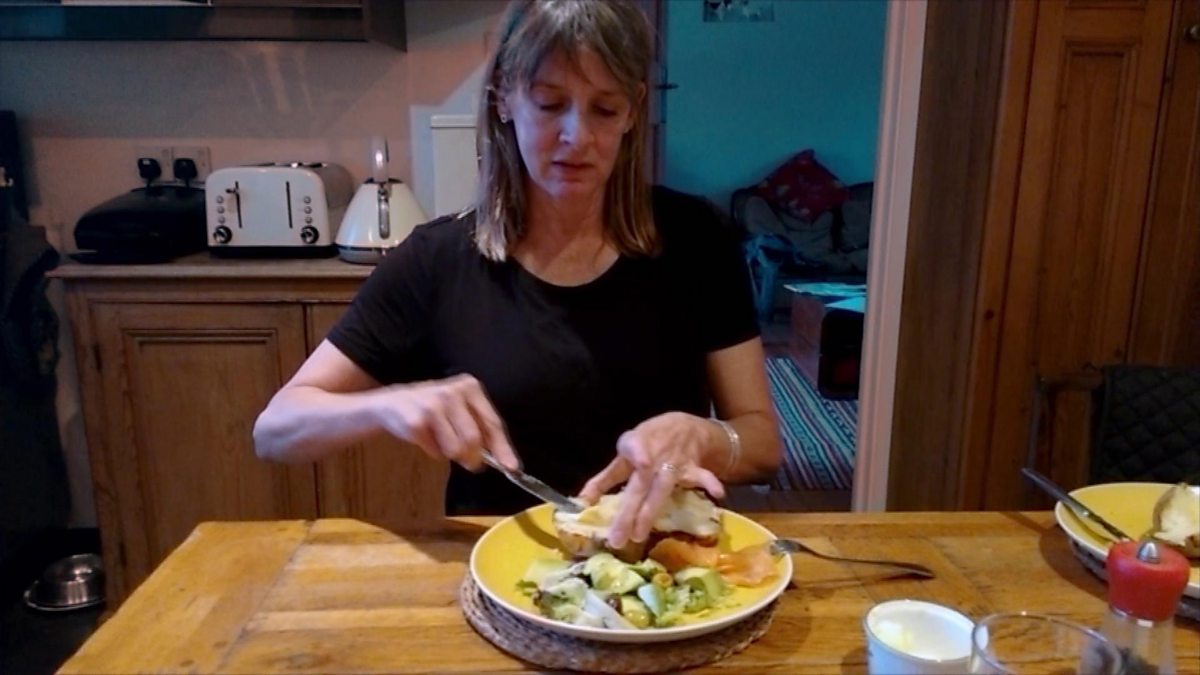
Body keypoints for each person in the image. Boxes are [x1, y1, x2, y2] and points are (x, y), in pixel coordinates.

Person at [252, 0, 781, 551]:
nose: (577, 135)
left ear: (632, 111)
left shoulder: (697, 239)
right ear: (503, 97)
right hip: (502, 571)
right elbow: (275, 431)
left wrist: (707, 436)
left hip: (667, 565)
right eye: (550, 104)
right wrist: (387, 405)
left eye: (605, 109)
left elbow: (763, 446)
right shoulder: (435, 261)